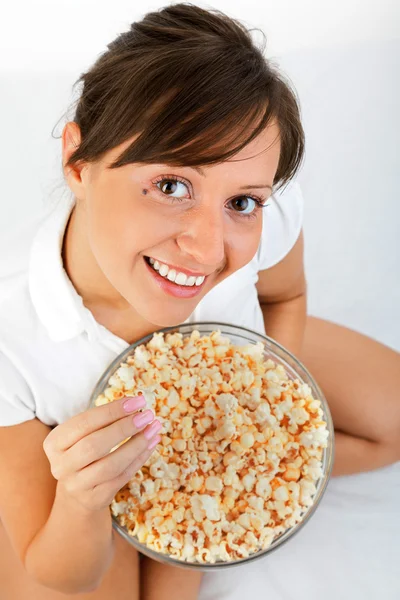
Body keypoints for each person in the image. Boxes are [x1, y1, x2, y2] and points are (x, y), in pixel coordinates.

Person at [0, 3, 399, 599]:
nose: (207, 249)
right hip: (77, 467)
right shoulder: (14, 334)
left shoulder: (266, 214)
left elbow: (285, 293)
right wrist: (85, 500)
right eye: (170, 185)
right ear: (78, 162)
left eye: (241, 202)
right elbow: (57, 568)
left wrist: (260, 419)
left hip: (226, 399)